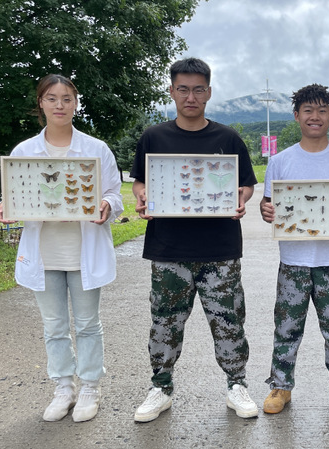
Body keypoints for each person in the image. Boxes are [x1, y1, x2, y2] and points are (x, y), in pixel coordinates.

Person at [130, 57, 259, 421]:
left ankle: (236, 384)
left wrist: (241, 198)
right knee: (165, 322)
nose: (191, 97)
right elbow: (140, 181)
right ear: (172, 91)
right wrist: (142, 196)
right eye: (183, 89)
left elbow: (246, 184)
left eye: (198, 89)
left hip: (220, 249)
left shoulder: (228, 138)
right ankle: (160, 387)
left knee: (229, 320)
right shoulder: (154, 137)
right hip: (169, 248)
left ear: (209, 92)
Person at [0, 74, 124, 422]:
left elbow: (114, 195)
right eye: (52, 98)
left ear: (76, 104)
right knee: (54, 326)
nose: (60, 105)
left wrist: (107, 206)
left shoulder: (96, 149)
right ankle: (63, 388)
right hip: (45, 253)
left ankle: (90, 387)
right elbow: (15, 195)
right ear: (41, 103)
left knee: (87, 324)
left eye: (67, 98)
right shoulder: (24, 152)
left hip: (84, 251)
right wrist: (5, 207)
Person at [259, 84, 329, 415]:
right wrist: (267, 212)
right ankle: (280, 386)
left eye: (322, 110)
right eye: (308, 110)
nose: (315, 116)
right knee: (287, 327)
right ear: (297, 116)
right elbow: (268, 204)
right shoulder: (280, 161)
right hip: (293, 259)